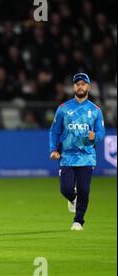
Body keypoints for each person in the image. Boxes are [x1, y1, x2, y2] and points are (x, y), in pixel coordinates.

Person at [49, 73, 105, 231]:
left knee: (84, 190)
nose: (80, 86)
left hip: (87, 156)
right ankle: (72, 198)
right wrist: (53, 149)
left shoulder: (95, 111)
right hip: (67, 155)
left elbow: (101, 133)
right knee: (65, 189)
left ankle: (78, 221)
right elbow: (54, 131)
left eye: (83, 84)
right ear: (74, 87)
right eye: (77, 84)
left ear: (88, 87)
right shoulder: (63, 108)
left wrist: (96, 136)